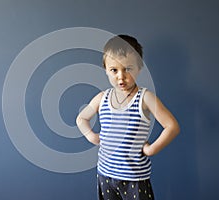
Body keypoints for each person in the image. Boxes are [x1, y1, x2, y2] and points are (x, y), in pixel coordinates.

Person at [76, 35, 180, 200]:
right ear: (106, 70)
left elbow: (172, 126)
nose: (121, 76)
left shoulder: (145, 98)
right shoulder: (102, 98)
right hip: (105, 174)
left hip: (134, 178)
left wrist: (151, 149)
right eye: (114, 70)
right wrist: (91, 136)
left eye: (128, 69)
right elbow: (81, 118)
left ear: (139, 68)